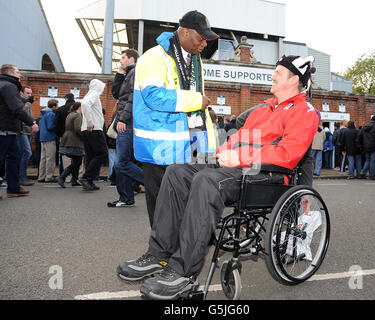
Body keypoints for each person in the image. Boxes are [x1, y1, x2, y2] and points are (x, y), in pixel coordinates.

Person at [117, 55, 319, 300]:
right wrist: (221, 154)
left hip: (270, 176)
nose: (273, 76)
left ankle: (184, 273)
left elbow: (289, 153)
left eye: (277, 72)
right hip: (242, 168)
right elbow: (238, 140)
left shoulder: (304, 111)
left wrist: (240, 157)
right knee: (177, 171)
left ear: (294, 79)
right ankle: (159, 253)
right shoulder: (265, 109)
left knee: (207, 181)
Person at [131, 10, 218, 225]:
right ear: (185, 32)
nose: (205, 44)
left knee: (192, 198)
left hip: (193, 142)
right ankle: (162, 252)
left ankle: (194, 239)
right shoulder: (154, 57)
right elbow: (153, 97)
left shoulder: (195, 60)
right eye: (201, 38)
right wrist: (197, 101)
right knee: (162, 205)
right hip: (161, 145)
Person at [107, 49, 145, 207]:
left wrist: (123, 119)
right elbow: (117, 94)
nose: (120, 60)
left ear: (132, 59)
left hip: (128, 123)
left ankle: (155, 183)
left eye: (123, 58)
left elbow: (132, 97)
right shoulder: (128, 73)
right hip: (125, 122)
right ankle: (126, 198)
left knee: (121, 163)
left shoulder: (136, 72)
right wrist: (119, 73)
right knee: (122, 162)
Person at [0, 64, 39, 198]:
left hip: (9, 130)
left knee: (14, 157)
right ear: (10, 73)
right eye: (17, 72)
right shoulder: (8, 86)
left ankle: (13, 188)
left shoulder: (5, 85)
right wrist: (31, 122)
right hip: (4, 129)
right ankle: (13, 187)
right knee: (6, 158)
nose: (20, 75)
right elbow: (17, 108)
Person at [79, 79, 108, 192]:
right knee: (102, 153)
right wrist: (90, 123)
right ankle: (86, 178)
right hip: (94, 129)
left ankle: (89, 181)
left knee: (91, 156)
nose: (103, 90)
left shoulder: (90, 94)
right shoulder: (94, 94)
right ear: (98, 87)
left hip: (86, 130)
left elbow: (85, 105)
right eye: (102, 87)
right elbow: (85, 104)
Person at [57, 102, 84, 188]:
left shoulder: (70, 114)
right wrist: (84, 137)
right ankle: (62, 177)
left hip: (67, 138)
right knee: (77, 161)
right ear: (79, 107)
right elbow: (77, 128)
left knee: (75, 160)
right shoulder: (77, 115)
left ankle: (74, 180)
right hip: (75, 140)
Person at [55, 93, 76, 175]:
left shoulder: (60, 109)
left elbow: (57, 124)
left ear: (66, 99)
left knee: (64, 155)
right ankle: (75, 176)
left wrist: (59, 134)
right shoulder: (78, 108)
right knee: (76, 155)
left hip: (64, 135)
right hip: (76, 136)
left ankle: (64, 174)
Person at [38, 99, 58, 183]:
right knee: (50, 158)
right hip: (50, 138)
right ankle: (49, 177)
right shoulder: (51, 114)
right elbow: (50, 127)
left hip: (42, 137)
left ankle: (41, 176)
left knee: (43, 158)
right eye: (57, 105)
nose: (57, 106)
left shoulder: (43, 113)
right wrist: (57, 127)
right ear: (53, 106)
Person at [18, 86, 35, 186]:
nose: (29, 95)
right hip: (22, 131)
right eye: (27, 93)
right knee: (27, 153)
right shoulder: (23, 102)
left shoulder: (28, 103)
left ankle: (20, 177)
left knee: (21, 154)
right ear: (21, 93)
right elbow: (23, 115)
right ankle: (22, 177)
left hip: (27, 131)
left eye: (30, 93)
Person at [357, 115, 375, 180]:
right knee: (373, 161)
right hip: (374, 146)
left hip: (366, 146)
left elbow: (359, 137)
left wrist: (361, 145)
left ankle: (362, 172)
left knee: (368, 160)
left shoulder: (364, 127)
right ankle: (371, 176)